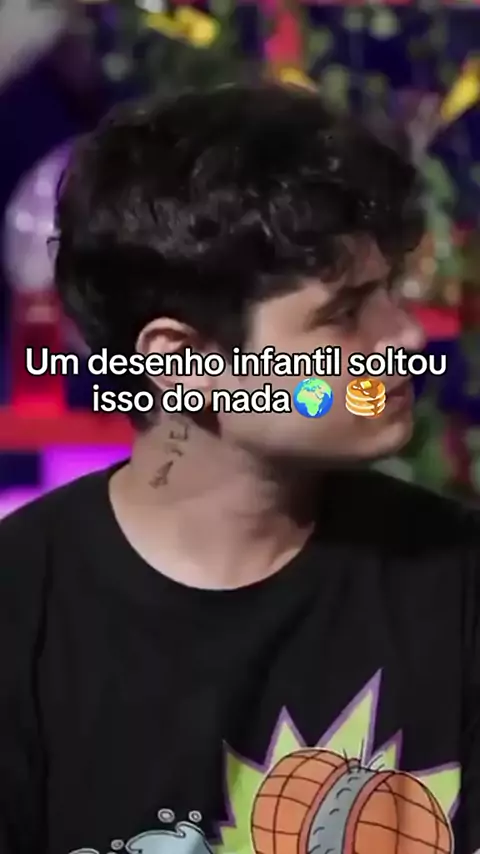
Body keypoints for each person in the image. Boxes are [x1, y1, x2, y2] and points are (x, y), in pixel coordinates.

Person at [1, 82, 479, 854]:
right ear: (184, 361)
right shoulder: (21, 612)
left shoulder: (457, 587)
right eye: (345, 313)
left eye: (390, 291)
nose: (405, 338)